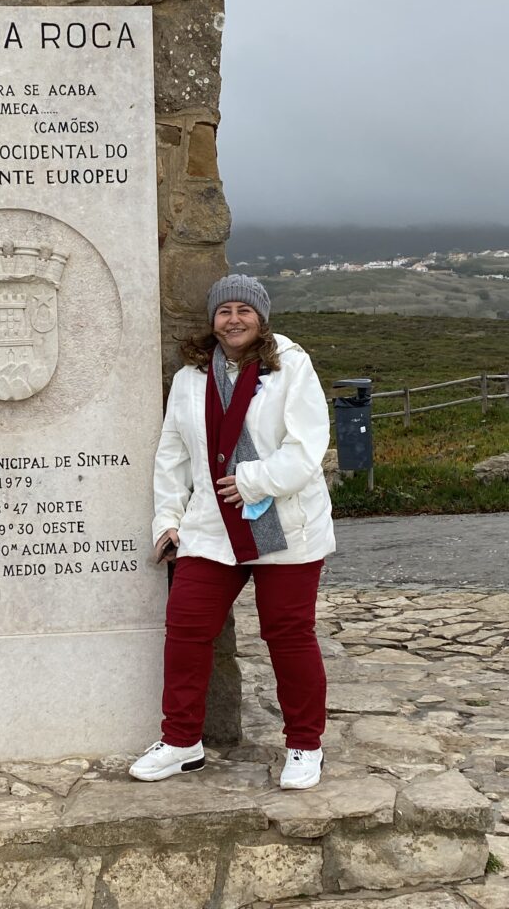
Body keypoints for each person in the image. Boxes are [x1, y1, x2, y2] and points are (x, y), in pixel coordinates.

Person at [130, 274, 335, 789]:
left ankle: (305, 746)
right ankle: (181, 742)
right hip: (210, 526)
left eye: (245, 310)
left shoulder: (291, 365)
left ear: (261, 318)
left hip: (283, 524)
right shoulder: (190, 378)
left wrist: (253, 481)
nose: (234, 319)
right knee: (186, 628)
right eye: (225, 311)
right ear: (212, 320)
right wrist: (168, 521)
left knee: (288, 636)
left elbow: (307, 446)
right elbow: (172, 455)